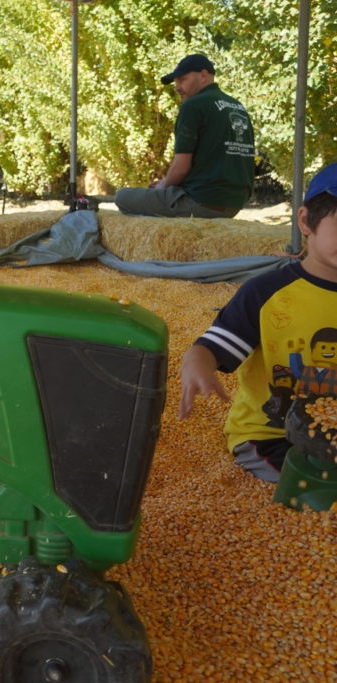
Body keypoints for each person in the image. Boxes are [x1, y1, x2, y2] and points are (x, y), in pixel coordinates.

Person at [178, 162, 337, 482]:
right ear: (306, 221)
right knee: (316, 485)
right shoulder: (266, 293)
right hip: (271, 436)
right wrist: (197, 364)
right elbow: (211, 348)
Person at [115, 54, 255, 219]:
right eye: (176, 82)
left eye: (182, 79)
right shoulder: (237, 106)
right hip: (233, 204)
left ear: (203, 75)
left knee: (122, 196)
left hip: (201, 202)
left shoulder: (193, 106)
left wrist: (163, 186)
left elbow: (181, 168)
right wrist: (166, 182)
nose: (177, 87)